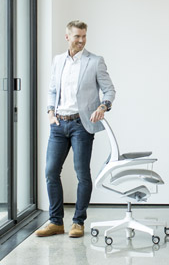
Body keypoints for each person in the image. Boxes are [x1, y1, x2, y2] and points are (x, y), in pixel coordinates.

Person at [35, 20, 116, 238]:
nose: (81, 40)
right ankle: (55, 221)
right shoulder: (58, 61)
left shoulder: (95, 61)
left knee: (82, 174)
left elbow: (109, 91)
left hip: (82, 125)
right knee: (51, 172)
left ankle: (78, 222)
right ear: (67, 37)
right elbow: (52, 89)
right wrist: (50, 112)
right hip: (59, 124)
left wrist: (103, 106)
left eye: (84, 36)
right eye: (77, 36)